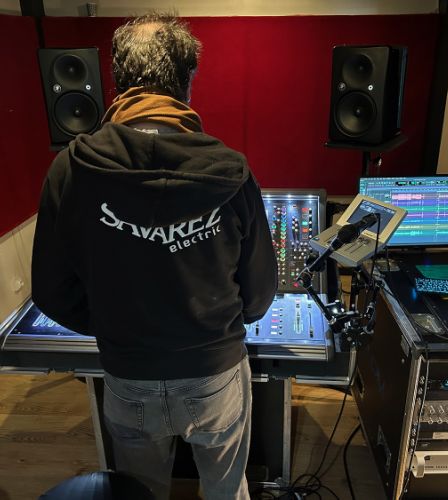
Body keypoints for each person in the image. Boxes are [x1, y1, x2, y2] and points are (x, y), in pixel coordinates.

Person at [31, 13, 277, 500]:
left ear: (118, 79)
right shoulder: (232, 170)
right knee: (227, 491)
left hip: (129, 375)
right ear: (187, 81)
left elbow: (51, 290)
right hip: (215, 371)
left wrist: (115, 325)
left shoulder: (70, 170)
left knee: (138, 494)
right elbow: (259, 293)